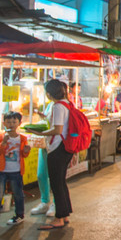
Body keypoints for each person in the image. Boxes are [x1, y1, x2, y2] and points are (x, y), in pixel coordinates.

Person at [39, 79, 76, 231]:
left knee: (56, 183)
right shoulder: (66, 104)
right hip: (64, 148)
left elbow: (58, 130)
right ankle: (64, 214)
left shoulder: (58, 106)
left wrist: (38, 132)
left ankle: (59, 218)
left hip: (58, 148)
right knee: (60, 182)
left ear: (49, 93)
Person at [0, 111, 29, 230]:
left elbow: (24, 155)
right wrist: (3, 143)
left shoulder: (22, 138)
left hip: (16, 171)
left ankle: (19, 215)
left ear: (19, 123)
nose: (11, 124)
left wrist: (26, 150)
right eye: (8, 122)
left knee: (18, 194)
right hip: (0, 171)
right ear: (3, 123)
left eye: (14, 122)